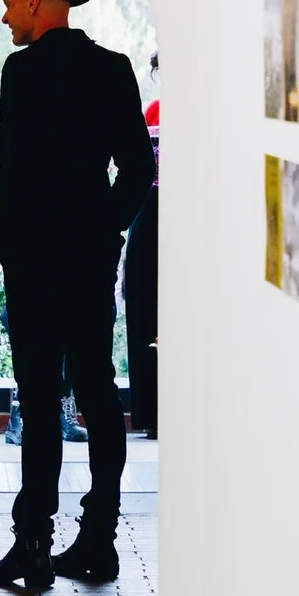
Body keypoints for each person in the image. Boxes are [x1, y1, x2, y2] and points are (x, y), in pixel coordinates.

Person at [0, 0, 154, 590]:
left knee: (40, 400)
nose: (6, 13)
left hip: (35, 260)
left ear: (42, 4)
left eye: (13, 2)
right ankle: (99, 538)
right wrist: (106, 229)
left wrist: (2, 236)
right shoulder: (114, 69)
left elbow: (12, 172)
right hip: (88, 258)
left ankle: (34, 545)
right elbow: (134, 169)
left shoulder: (21, 71)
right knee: (99, 395)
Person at [125, 55, 162, 437]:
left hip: (184, 218)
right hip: (147, 216)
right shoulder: (151, 111)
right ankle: (148, 411)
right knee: (141, 307)